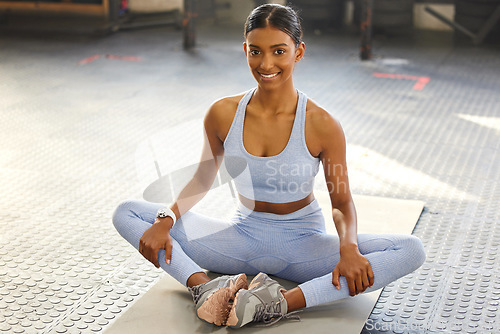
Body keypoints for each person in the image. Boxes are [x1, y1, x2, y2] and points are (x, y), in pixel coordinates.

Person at [112, 3, 426, 328]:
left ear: (298, 52)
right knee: (127, 212)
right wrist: (167, 218)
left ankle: (277, 304)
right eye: (255, 51)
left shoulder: (322, 124)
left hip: (303, 245)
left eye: (279, 51)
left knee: (409, 249)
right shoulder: (222, 113)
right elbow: (204, 177)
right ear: (244, 50)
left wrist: (348, 248)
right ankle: (205, 288)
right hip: (238, 240)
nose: (266, 63)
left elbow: (342, 202)